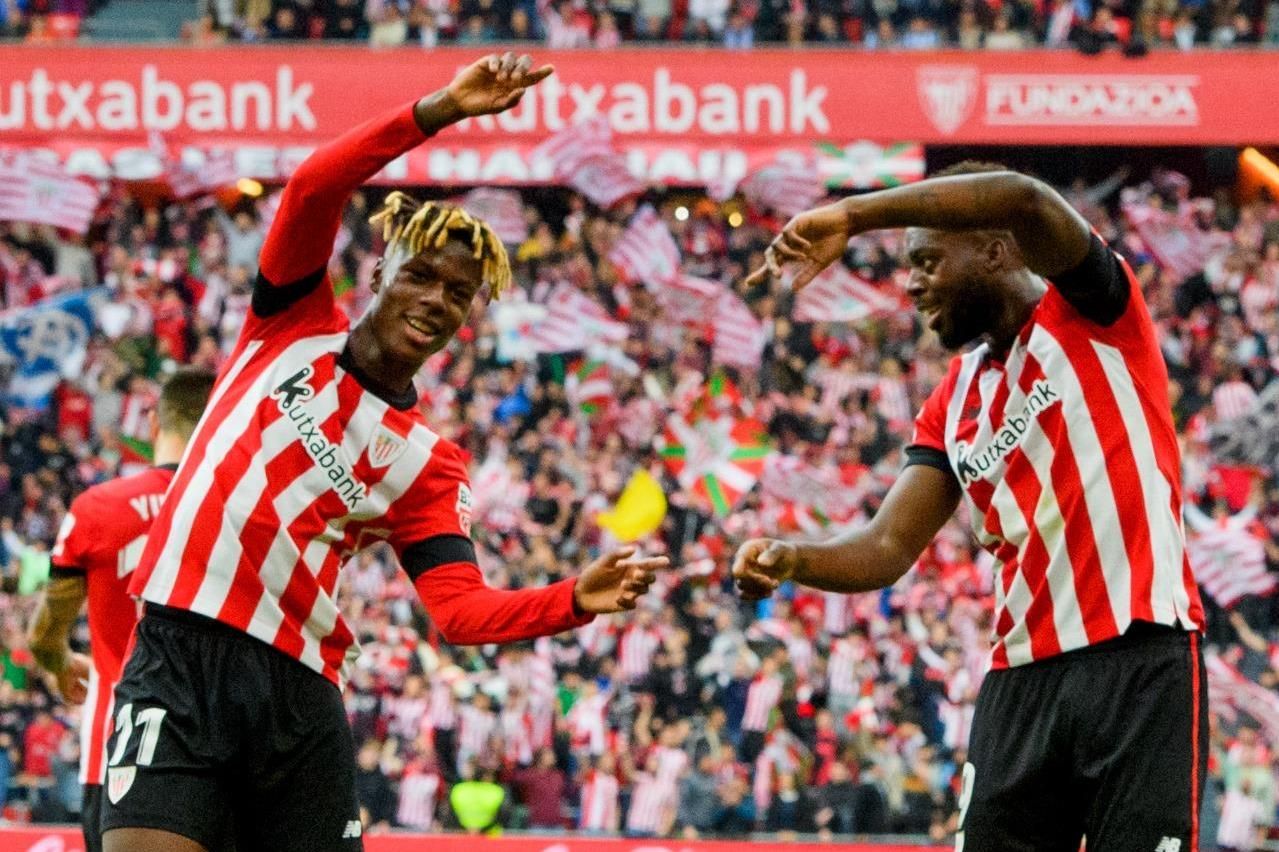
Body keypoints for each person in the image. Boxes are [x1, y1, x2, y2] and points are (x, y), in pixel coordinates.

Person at [103, 52, 668, 852]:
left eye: (458, 293)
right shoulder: (291, 323)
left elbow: (460, 612)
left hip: (295, 698)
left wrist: (574, 597)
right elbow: (311, 187)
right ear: (379, 271)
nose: (436, 300)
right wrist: (437, 110)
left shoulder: (429, 464)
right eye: (422, 276)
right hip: (174, 657)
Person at [734, 162, 1206, 849]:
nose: (913, 283)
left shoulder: (1093, 311)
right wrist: (792, 557)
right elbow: (887, 547)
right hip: (1018, 683)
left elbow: (1019, 195)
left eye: (927, 258)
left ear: (994, 248)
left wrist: (854, 214)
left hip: (1139, 662)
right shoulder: (952, 400)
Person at [28, 367, 217, 852]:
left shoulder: (99, 506)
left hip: (118, 748)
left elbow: (44, 636)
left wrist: (60, 663)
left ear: (154, 423)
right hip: (218, 754)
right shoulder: (241, 509)